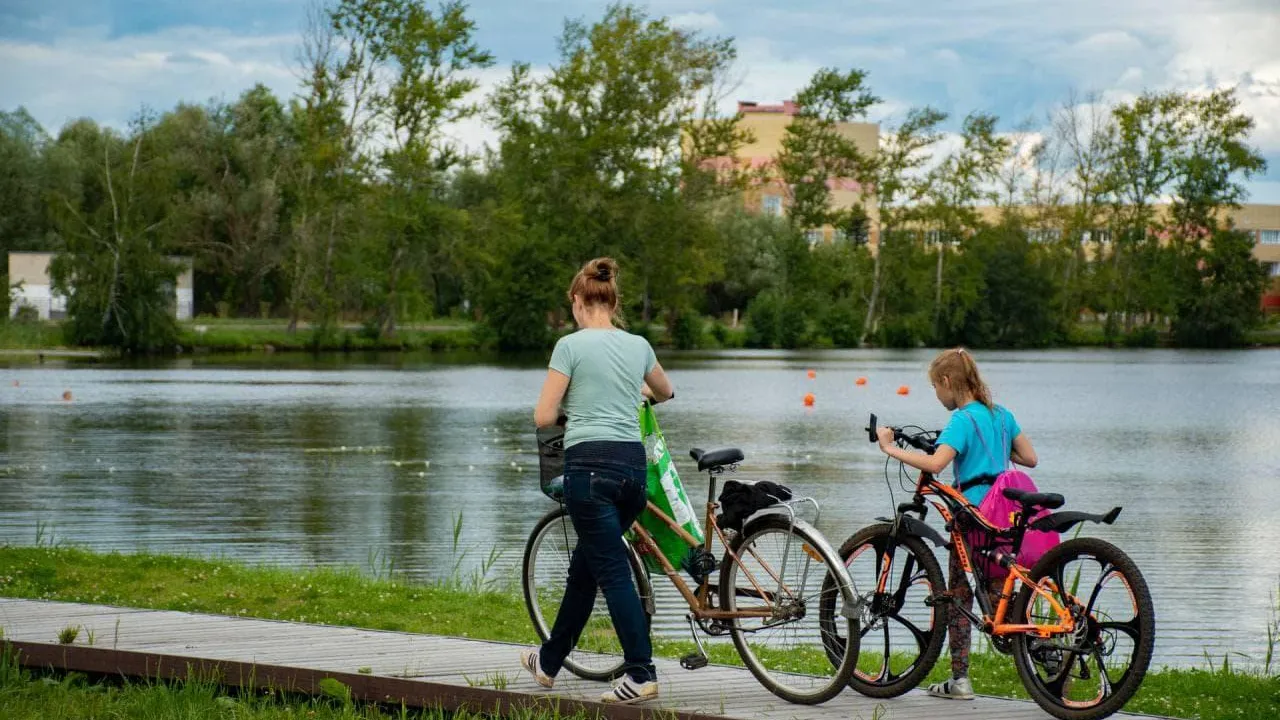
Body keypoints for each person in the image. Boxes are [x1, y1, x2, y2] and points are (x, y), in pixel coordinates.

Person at [520, 257, 674, 705]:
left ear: (576, 301)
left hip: (588, 473)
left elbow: (544, 416)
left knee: (612, 574)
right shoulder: (638, 345)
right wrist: (633, 391)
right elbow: (665, 391)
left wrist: (576, 402)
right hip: (631, 474)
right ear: (612, 300)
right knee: (585, 570)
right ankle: (549, 663)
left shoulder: (569, 347)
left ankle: (642, 673)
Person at [875, 347, 1038, 701]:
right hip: (1005, 510)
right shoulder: (1001, 414)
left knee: (958, 595)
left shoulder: (963, 420)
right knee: (998, 590)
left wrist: (889, 448)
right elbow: (1029, 458)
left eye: (936, 387)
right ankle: (1044, 651)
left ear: (948, 381)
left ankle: (960, 681)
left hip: (975, 512)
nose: (937, 395)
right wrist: (997, 445)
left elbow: (935, 464)